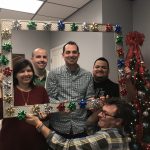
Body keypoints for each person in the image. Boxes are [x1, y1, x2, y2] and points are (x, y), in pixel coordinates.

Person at [26, 97, 131, 150]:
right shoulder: (122, 133)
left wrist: (39, 125)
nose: (100, 115)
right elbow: (89, 127)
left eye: (105, 114)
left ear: (118, 121)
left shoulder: (105, 138)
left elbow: (66, 146)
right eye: (101, 111)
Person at [46, 41, 95, 138]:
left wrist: (94, 103)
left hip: (80, 126)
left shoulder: (87, 75)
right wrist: (59, 106)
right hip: (59, 125)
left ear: (78, 54)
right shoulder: (53, 74)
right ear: (63, 55)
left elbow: (90, 97)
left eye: (74, 52)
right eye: (68, 52)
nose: (71, 55)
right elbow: (49, 97)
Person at [0, 59, 49, 150]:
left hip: (35, 141)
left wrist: (45, 115)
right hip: (11, 141)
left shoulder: (41, 90)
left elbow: (48, 111)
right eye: (22, 71)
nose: (26, 74)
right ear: (15, 75)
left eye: (29, 71)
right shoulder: (8, 91)